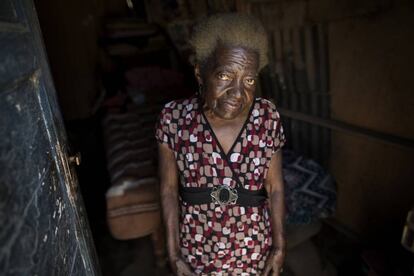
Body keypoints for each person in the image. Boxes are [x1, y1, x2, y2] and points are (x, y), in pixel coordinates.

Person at [156, 13, 286, 275]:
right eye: (225, 75)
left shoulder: (266, 117)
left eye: (249, 80)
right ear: (200, 73)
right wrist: (174, 253)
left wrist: (279, 247)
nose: (238, 92)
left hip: (254, 250)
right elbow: (169, 189)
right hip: (197, 251)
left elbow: (275, 188)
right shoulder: (174, 118)